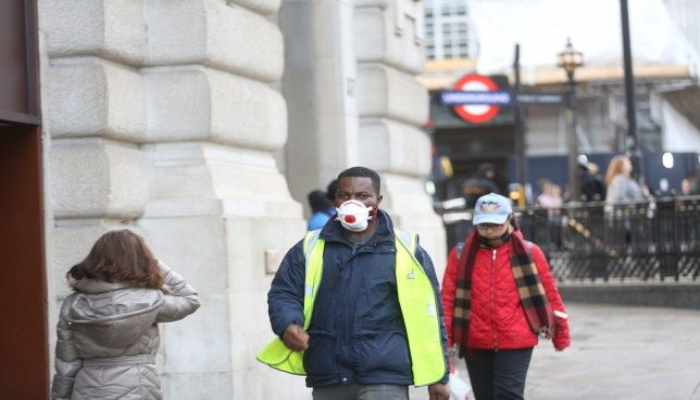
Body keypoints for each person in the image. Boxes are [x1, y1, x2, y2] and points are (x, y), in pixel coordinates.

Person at [258, 166, 450, 400]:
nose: (352, 202)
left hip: (385, 374)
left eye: (362, 196)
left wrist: (441, 377)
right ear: (335, 200)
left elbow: (431, 316)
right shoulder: (309, 248)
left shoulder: (406, 250)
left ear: (377, 201)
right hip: (329, 372)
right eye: (344, 195)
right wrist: (287, 324)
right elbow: (284, 293)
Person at [441, 193, 570, 400]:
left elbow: (550, 294)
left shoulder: (530, 252)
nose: (489, 231)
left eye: (495, 225)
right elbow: (447, 301)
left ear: (510, 219)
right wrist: (444, 345)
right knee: (485, 396)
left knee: (508, 394)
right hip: (475, 339)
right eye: (484, 226)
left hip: (517, 338)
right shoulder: (460, 255)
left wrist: (561, 333)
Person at [51, 230, 200, 400]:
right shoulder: (149, 300)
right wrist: (155, 264)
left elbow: (66, 362)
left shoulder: (74, 304)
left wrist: (60, 397)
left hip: (88, 389)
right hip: (140, 386)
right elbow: (191, 299)